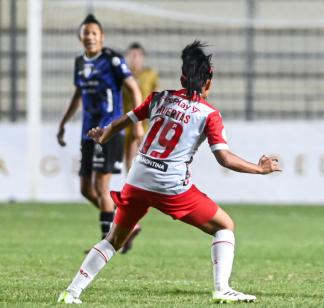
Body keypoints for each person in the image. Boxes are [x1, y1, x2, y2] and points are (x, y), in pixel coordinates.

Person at [57, 40, 281, 304]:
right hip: (170, 186)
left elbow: (126, 119)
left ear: (182, 78)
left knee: (113, 240)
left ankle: (71, 292)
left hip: (138, 179)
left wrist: (105, 135)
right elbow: (224, 158)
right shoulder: (209, 114)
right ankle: (222, 288)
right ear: (209, 81)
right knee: (225, 226)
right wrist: (260, 169)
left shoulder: (158, 98)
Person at [56, 14, 144, 244]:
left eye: (94, 33)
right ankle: (127, 223)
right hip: (88, 131)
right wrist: (64, 122)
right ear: (80, 37)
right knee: (86, 189)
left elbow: (133, 89)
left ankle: (108, 243)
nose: (90, 37)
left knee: (101, 186)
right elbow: (78, 94)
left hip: (109, 130)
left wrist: (138, 123)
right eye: (86, 33)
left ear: (101, 37)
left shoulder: (112, 59)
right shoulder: (79, 62)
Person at [122, 42, 160, 172]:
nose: (135, 58)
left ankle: (142, 187)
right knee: (129, 158)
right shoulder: (122, 75)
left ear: (142, 57)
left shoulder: (150, 74)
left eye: (137, 55)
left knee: (145, 157)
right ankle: (130, 187)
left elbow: (157, 94)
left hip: (145, 121)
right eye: (132, 55)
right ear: (127, 57)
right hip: (126, 121)